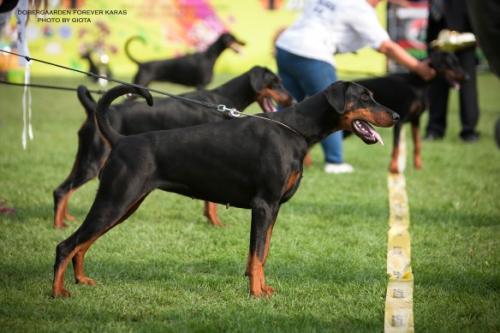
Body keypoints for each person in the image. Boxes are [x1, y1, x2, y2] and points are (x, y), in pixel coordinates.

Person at [275, 0, 435, 174]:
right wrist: (418, 67)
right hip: (313, 53)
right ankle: (335, 162)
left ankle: (275, 150)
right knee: (336, 107)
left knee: (287, 107)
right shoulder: (360, 8)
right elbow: (386, 46)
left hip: (285, 47)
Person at [424, 0, 480, 142]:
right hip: (437, 27)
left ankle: (469, 131)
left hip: (464, 26)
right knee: (436, 81)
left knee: (466, 81)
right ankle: (434, 129)